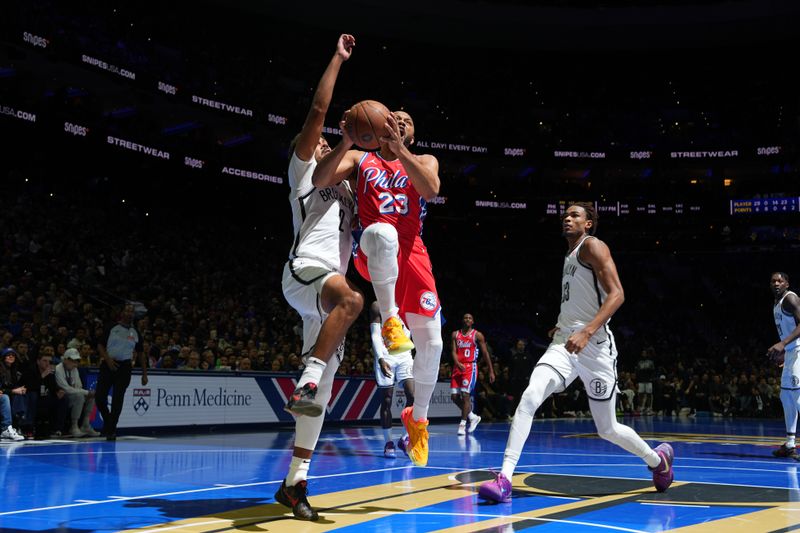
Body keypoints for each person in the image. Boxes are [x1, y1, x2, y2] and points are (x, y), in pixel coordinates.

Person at [479, 203, 675, 503]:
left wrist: (586, 330)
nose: (567, 219)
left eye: (575, 215)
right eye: (565, 216)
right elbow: (580, 301)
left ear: (589, 224)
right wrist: (565, 325)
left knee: (607, 428)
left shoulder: (593, 246)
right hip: (564, 344)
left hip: (596, 349)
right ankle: (505, 478)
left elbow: (618, 294)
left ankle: (657, 461)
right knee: (530, 397)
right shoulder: (569, 255)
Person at [313, 108, 443, 467]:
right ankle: (390, 320)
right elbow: (321, 179)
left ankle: (418, 420)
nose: (400, 121)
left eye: (408, 120)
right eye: (394, 116)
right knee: (383, 232)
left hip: (413, 252)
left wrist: (401, 151)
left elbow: (431, 190)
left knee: (433, 343)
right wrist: (347, 141)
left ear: (412, 136)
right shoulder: (361, 159)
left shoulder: (424, 159)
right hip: (370, 248)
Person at [274, 34, 363, 522]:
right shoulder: (305, 172)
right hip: (306, 272)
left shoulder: (347, 187)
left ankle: (294, 485)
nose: (324, 141)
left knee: (320, 401)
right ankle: (307, 375)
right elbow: (316, 113)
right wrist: (337, 58)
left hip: (328, 289)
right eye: (324, 141)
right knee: (352, 301)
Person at [95, 303, 148, 441]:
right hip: (108, 365)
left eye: (132, 311)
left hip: (124, 368)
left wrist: (144, 374)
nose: (130, 313)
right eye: (127, 310)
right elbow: (100, 345)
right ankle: (109, 423)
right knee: (100, 398)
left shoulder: (135, 332)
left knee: (118, 400)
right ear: (122, 312)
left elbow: (141, 353)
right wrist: (107, 359)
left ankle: (111, 430)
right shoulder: (112, 327)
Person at [369, 301, 414, 458]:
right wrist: (380, 358)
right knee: (386, 400)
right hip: (386, 355)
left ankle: (405, 438)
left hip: (404, 355)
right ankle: (389, 442)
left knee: (413, 397)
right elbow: (375, 334)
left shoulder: (407, 303)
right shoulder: (377, 305)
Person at [767, 272, 800, 458]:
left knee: (798, 398)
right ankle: (789, 444)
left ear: (787, 283)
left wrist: (783, 344)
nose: (776, 283)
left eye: (780, 280)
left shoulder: (790, 299)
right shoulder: (777, 303)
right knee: (786, 396)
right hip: (791, 353)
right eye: (773, 281)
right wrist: (784, 351)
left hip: (799, 351)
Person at [450, 313, 495, 435]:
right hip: (457, 367)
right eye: (465, 317)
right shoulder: (455, 334)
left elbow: (485, 353)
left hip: (470, 367)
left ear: (473, 321)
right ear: (462, 320)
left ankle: (462, 425)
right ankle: (472, 416)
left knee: (465, 395)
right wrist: (457, 362)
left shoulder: (477, 335)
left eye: (470, 318)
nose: (467, 319)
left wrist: (491, 370)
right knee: (454, 397)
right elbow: (453, 351)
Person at [55, 348, 100, 437]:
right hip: (62, 396)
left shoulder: (74, 370)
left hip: (73, 394)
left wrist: (87, 394)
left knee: (91, 397)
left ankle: (85, 425)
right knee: (80, 395)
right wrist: (86, 392)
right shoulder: (58, 369)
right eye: (73, 361)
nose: (75, 364)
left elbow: (78, 386)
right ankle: (74, 426)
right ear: (66, 359)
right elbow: (66, 388)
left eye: (77, 361)